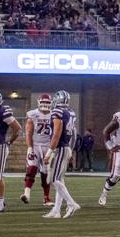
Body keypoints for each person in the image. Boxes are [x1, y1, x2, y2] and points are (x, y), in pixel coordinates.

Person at [40, 90, 79, 218]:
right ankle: (56, 210)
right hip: (65, 146)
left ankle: (71, 203)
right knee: (59, 179)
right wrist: (71, 149)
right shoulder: (70, 113)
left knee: (54, 179)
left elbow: (56, 133)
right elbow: (73, 134)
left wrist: (49, 152)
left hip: (59, 147)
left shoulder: (57, 112)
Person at [22, 93, 53, 206]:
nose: (45, 105)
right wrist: (30, 148)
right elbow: (28, 133)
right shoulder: (33, 114)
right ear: (39, 102)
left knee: (46, 173)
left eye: (47, 102)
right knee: (31, 169)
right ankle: (26, 194)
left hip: (48, 146)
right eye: (43, 102)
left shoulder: (54, 115)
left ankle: (46, 198)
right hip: (35, 145)